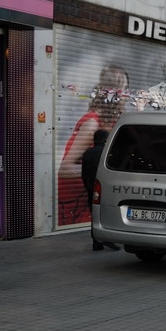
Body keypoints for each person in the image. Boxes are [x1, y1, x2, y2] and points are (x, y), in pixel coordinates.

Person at [58, 65, 130, 225]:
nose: (127, 95)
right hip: (76, 204)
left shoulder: (111, 122)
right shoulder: (92, 123)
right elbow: (65, 169)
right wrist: (102, 169)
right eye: (125, 89)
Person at [80, 129, 117, 251]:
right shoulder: (107, 153)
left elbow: (84, 174)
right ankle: (107, 238)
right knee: (108, 214)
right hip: (106, 189)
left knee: (95, 215)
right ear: (106, 140)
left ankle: (96, 242)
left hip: (92, 189)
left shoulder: (87, 153)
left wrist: (88, 187)